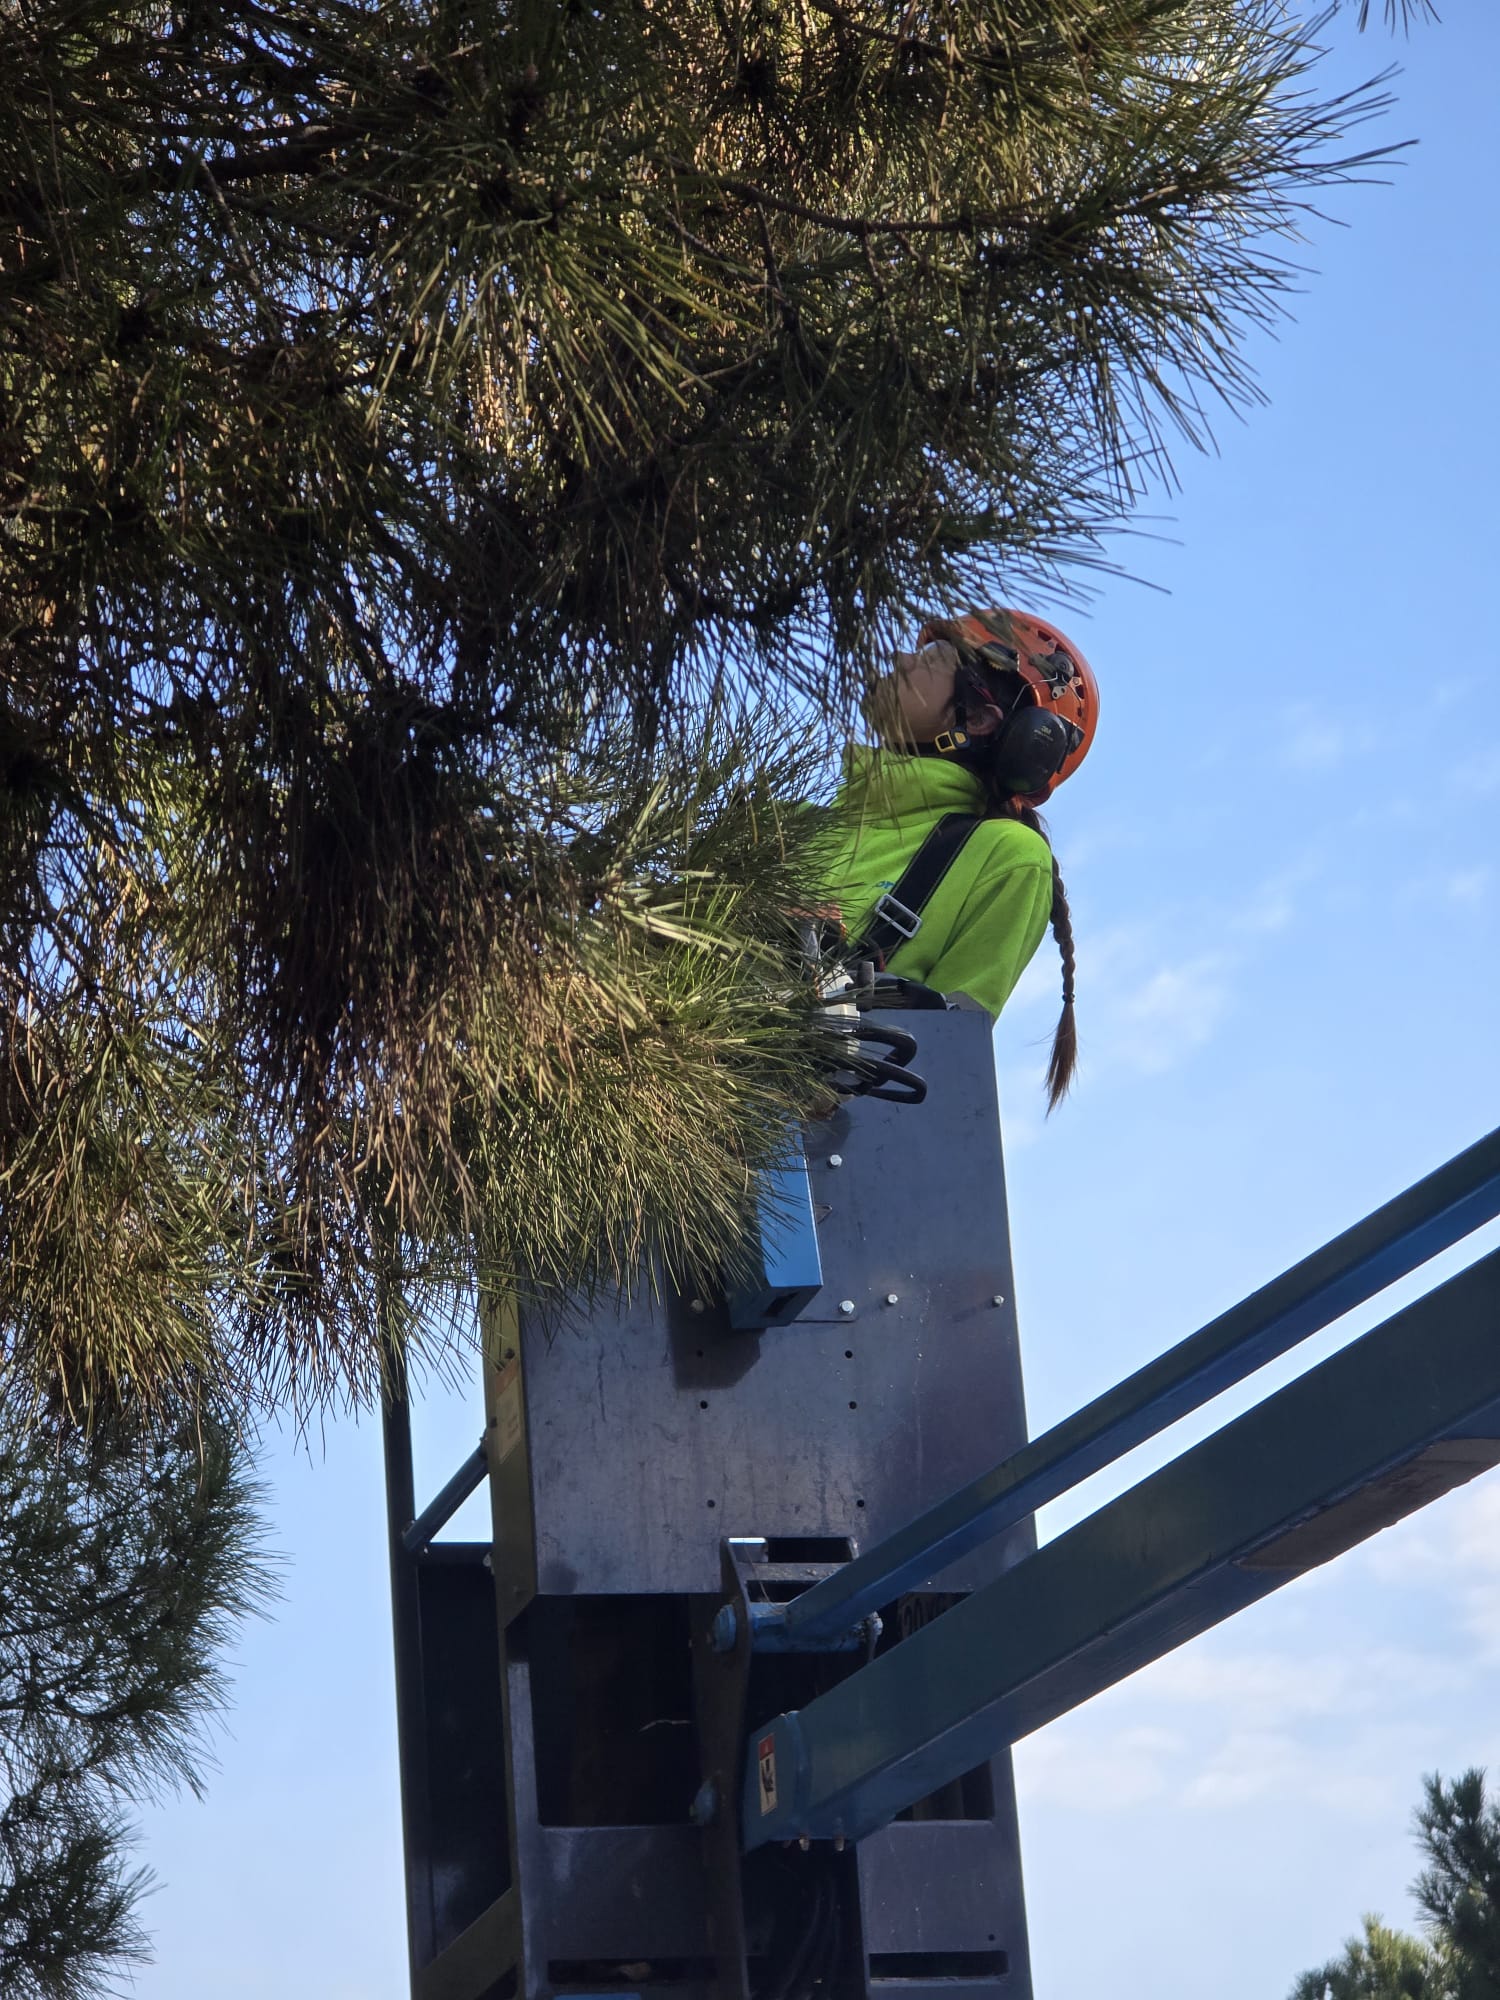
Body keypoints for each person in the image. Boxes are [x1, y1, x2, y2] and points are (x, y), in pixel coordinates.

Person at [820, 606, 1098, 1110]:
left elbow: (936, 1057)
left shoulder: (1006, 859)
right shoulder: (787, 822)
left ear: (980, 717)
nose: (902, 657)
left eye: (932, 656)